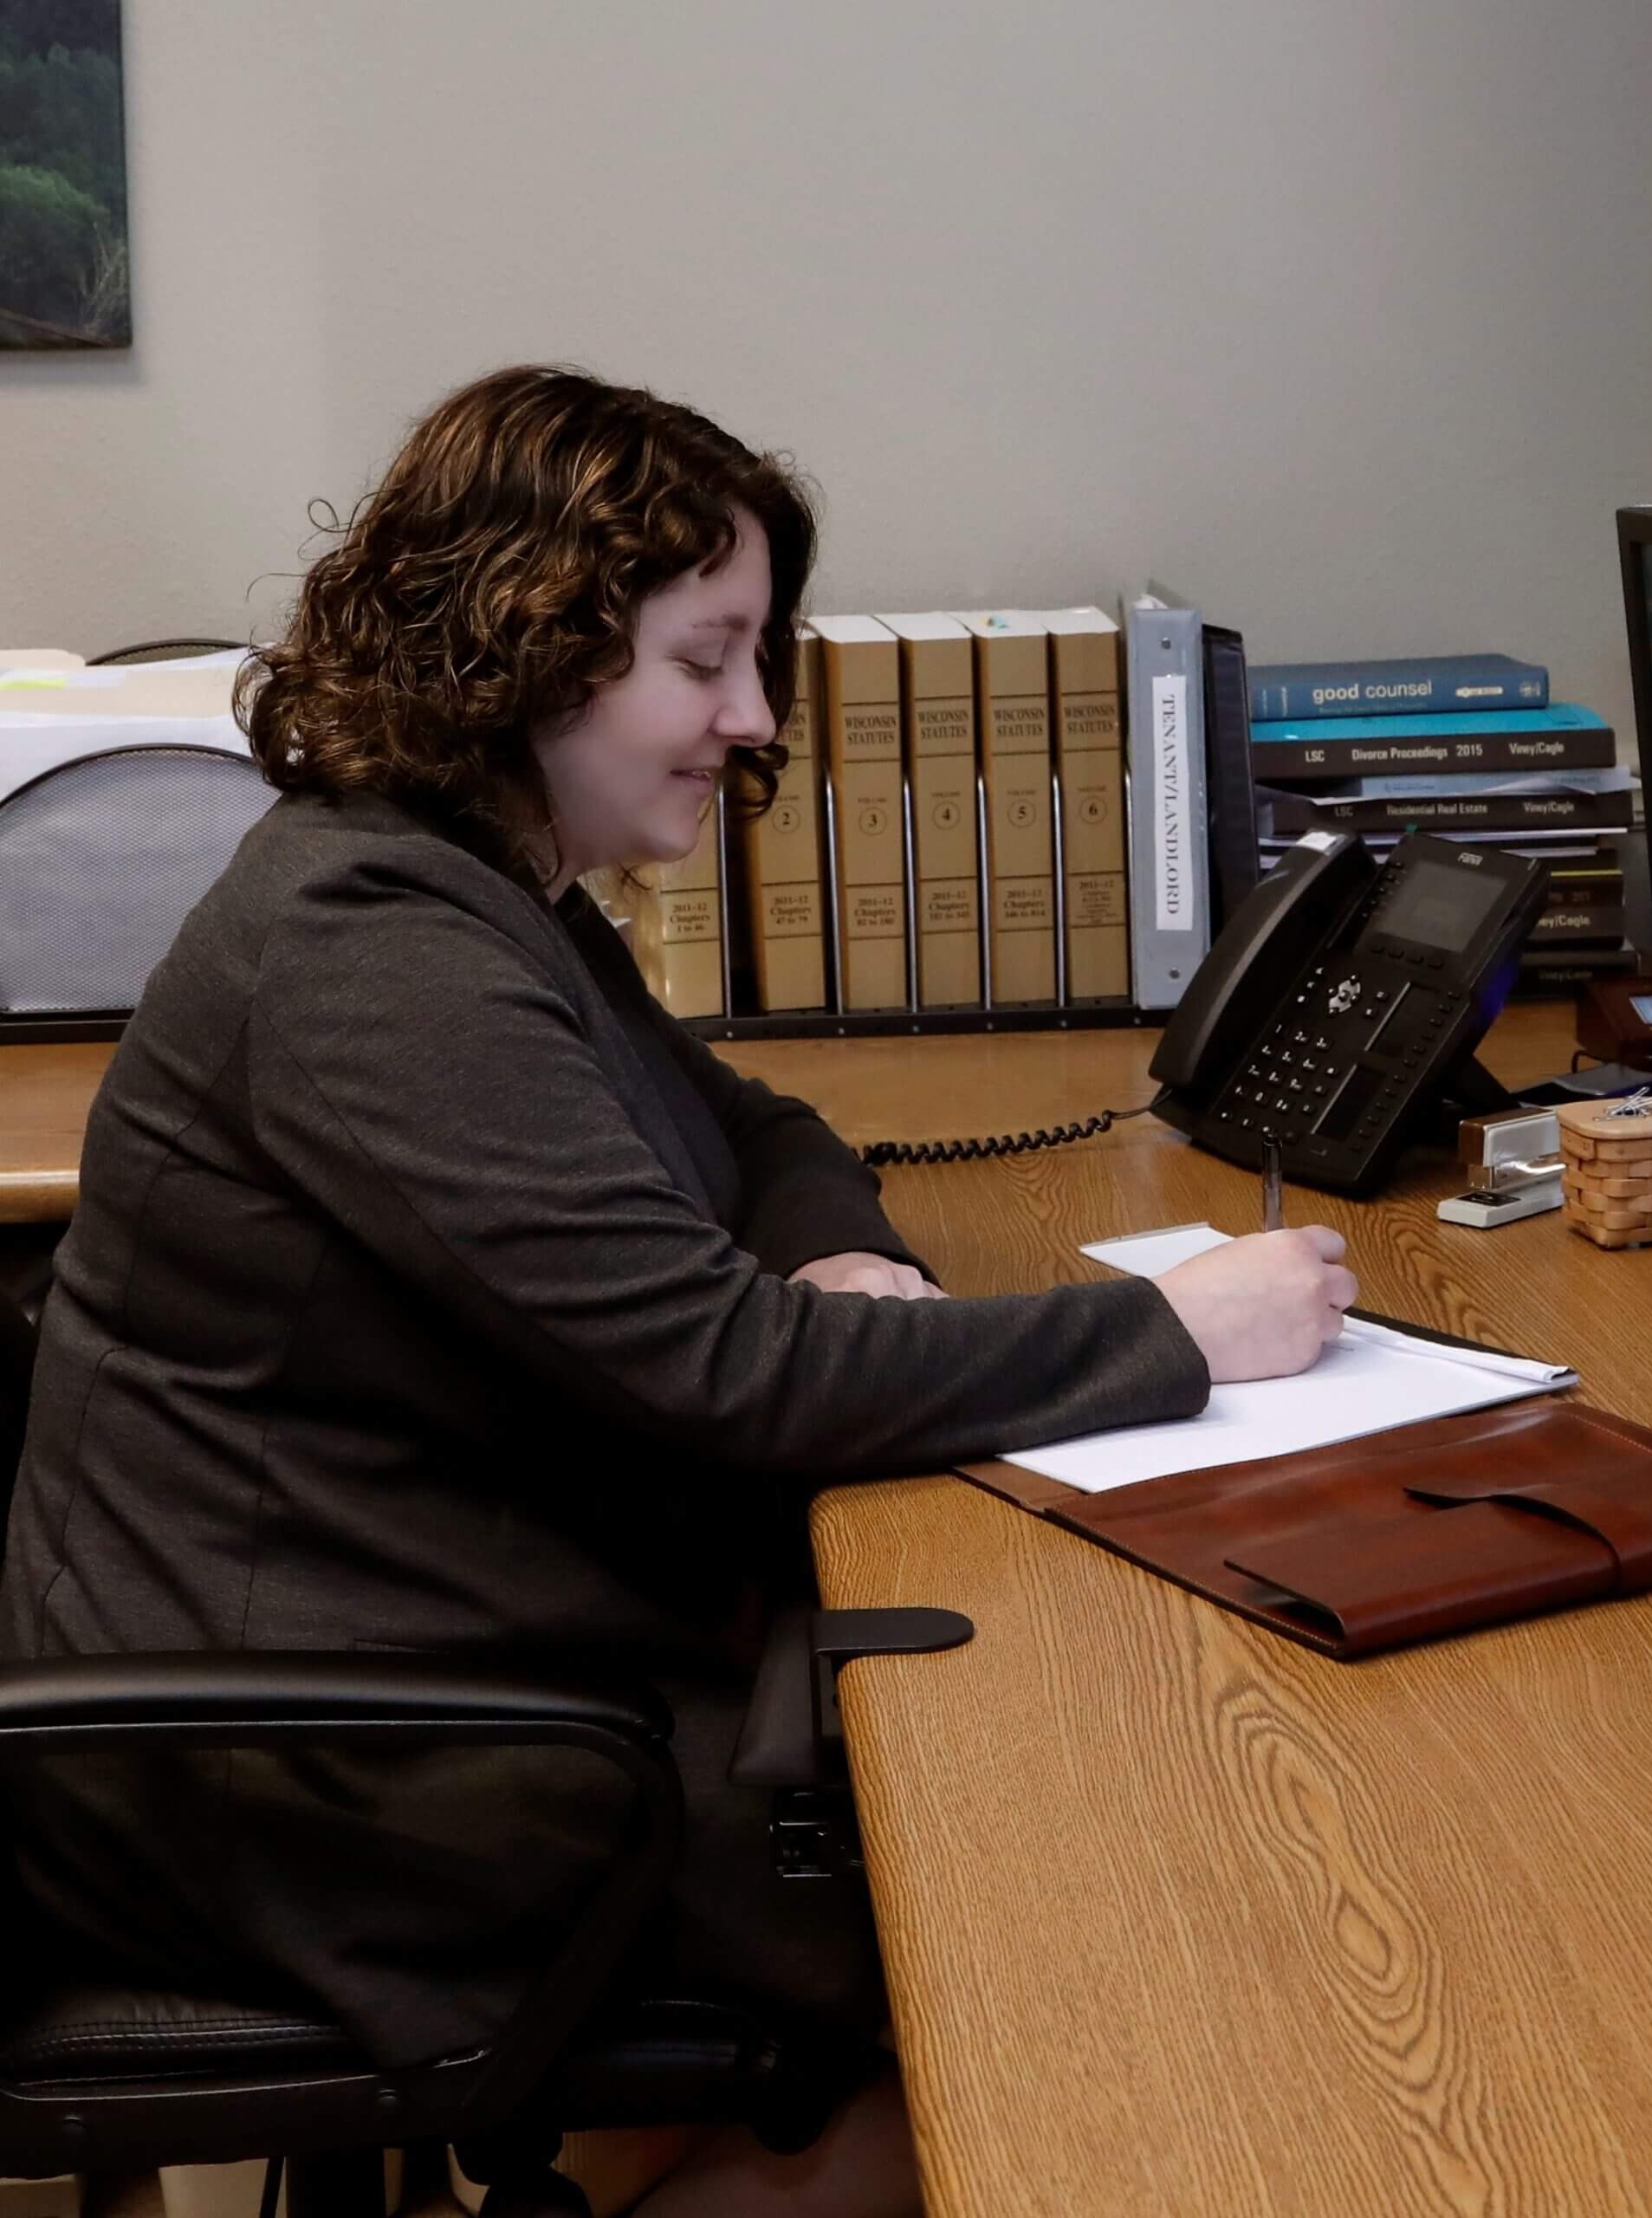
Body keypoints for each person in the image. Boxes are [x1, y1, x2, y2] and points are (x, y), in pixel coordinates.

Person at [0, 366, 1356, 2213]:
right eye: (703, 660)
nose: (752, 717)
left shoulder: (477, 891)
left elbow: (755, 1123)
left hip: (416, 1659)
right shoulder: (369, 952)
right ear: (528, 646)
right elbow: (727, 1378)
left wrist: (831, 1246)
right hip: (313, 1770)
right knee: (1050, 1925)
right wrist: (1173, 1334)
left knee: (987, 1821)